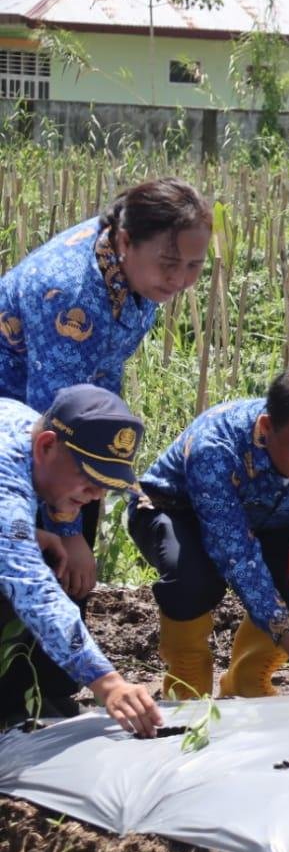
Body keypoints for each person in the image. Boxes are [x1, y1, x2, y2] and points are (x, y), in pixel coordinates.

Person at [0, 177, 210, 600]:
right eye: (170, 262)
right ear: (127, 240)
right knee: (36, 576)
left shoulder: (132, 269)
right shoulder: (70, 294)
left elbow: (97, 387)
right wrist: (66, 529)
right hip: (18, 437)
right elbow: (55, 433)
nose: (181, 279)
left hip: (56, 430)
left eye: (194, 265)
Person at [129, 367, 289, 700]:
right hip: (177, 513)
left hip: (274, 522)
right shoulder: (216, 445)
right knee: (191, 577)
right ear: (266, 429)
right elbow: (239, 557)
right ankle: (186, 683)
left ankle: (247, 678)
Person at [0, 385, 160, 735]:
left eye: (107, 483)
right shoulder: (6, 483)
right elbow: (34, 592)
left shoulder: (23, 425)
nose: (97, 495)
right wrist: (107, 682)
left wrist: (29, 536)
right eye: (89, 478)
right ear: (46, 447)